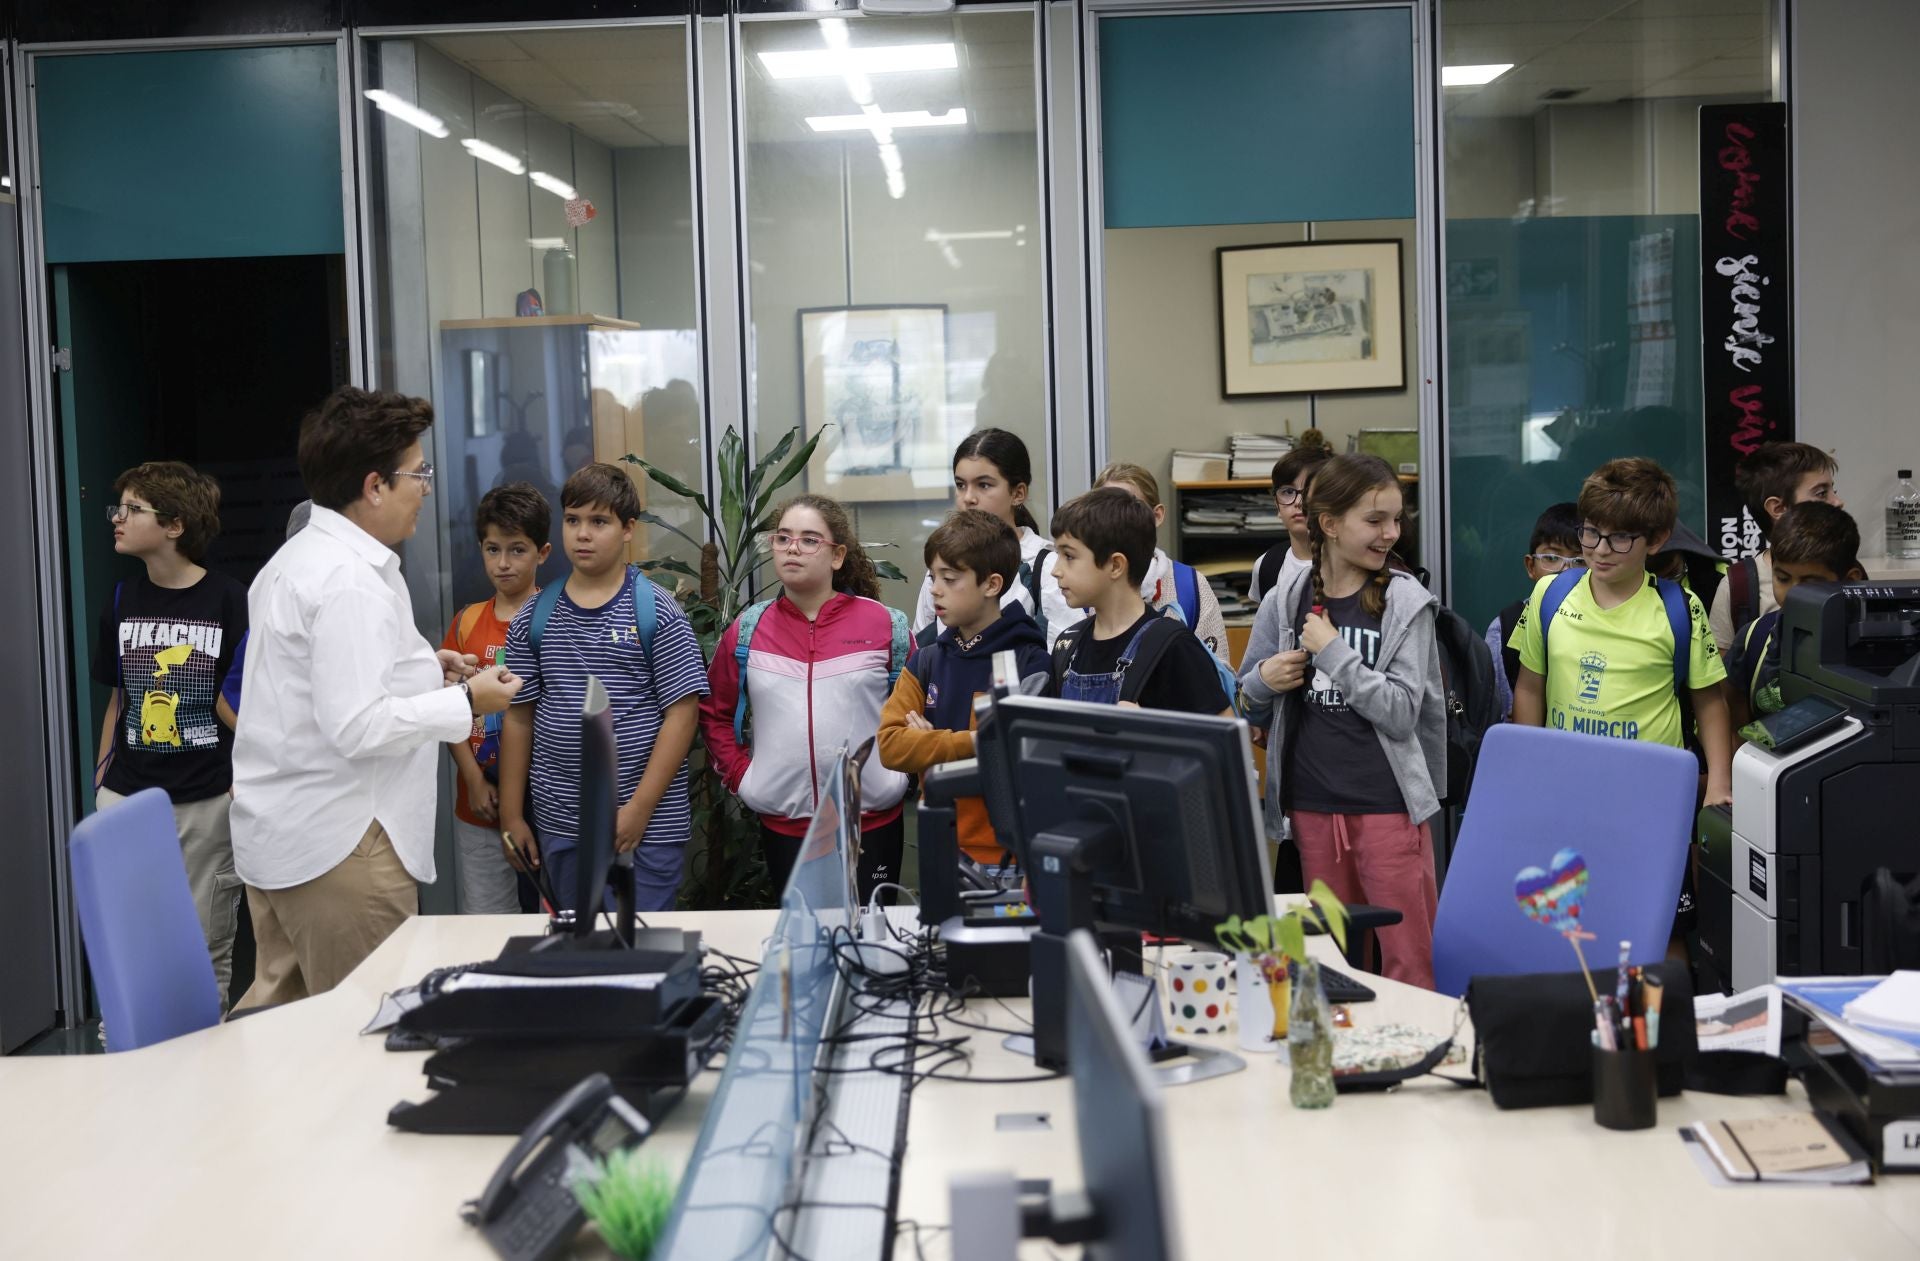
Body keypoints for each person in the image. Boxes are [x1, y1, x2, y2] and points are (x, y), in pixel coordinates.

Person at [231, 388, 522, 1010]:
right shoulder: (347, 583)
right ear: (373, 486)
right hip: (343, 851)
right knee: (362, 1039)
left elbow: (313, 686)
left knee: (283, 1041)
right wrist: (467, 702)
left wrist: (423, 667)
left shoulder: (300, 559)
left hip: (288, 839)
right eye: (418, 473)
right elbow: (356, 726)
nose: (426, 487)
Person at [1239, 454, 1447, 989]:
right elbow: (1247, 700)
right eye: (1375, 520)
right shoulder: (1286, 599)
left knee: (1406, 959)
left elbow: (1402, 713)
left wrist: (1334, 653)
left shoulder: (1406, 602)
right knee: (1331, 962)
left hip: (1388, 809)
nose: (1390, 533)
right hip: (1312, 810)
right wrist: (1266, 678)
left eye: (1397, 520)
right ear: (1329, 524)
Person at [497, 464, 708, 913]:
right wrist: (513, 815)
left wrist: (640, 810)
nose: (583, 534)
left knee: (641, 954)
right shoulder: (534, 617)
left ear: (628, 529)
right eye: (573, 520)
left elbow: (682, 714)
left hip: (646, 825)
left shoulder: (657, 611)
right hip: (561, 821)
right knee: (578, 952)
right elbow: (518, 716)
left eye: (599, 521)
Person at [91, 461, 249, 1007]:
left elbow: (244, 699)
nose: (118, 519)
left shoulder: (229, 599)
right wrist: (102, 782)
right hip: (129, 795)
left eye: (133, 509)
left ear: (175, 525)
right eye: (121, 508)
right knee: (127, 945)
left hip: (207, 798)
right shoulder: (120, 600)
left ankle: (206, 1074)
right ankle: (125, 1063)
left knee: (207, 946)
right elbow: (118, 699)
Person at [701, 494, 910, 902]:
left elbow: (920, 710)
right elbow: (713, 712)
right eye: (783, 538)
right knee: (801, 945)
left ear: (837, 556)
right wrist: (745, 778)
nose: (792, 547)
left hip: (873, 823)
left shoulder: (885, 626)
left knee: (873, 943)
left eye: (809, 539)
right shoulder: (748, 631)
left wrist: (900, 776)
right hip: (786, 827)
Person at [1512, 458, 1733, 806]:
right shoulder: (1549, 594)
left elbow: (1709, 703)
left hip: (1653, 794)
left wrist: (1719, 784)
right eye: (1591, 532)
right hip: (1565, 787)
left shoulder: (1680, 607)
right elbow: (1529, 687)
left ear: (1657, 539)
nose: (1600, 549)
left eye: (1620, 538)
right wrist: (1529, 766)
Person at [877, 510, 1051, 866]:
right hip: (939, 845)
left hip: (1009, 858)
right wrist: (972, 741)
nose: (935, 590)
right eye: (932, 576)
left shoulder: (1031, 664)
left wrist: (929, 745)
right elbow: (891, 747)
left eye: (950, 578)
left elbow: (1011, 756)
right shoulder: (925, 660)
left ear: (991, 585)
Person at [442, 483, 552, 913]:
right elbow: (446, 706)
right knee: (486, 921)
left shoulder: (556, 620)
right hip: (479, 802)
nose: (503, 563)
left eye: (517, 550)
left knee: (548, 920)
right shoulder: (467, 622)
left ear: (542, 553)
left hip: (543, 802)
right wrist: (470, 776)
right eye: (492, 549)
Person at [1045, 487, 1229, 715]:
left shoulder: (1173, 647)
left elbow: (1223, 742)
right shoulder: (1067, 647)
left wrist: (1152, 733)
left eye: (1069, 556)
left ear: (1115, 565)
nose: (1055, 570)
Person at [910, 428, 1070, 644]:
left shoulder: (1047, 567)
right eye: (960, 485)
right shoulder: (942, 562)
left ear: (1018, 493)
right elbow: (922, 646)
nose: (968, 498)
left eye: (983, 485)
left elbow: (1060, 660)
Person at [1728, 501, 1867, 734]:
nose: (1793, 594)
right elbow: (1736, 725)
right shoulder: (1754, 640)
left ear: (1850, 580)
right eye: (1782, 578)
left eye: (1811, 583)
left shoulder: (1875, 647)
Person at [1709, 442, 1844, 655]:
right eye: (1821, 493)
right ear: (1778, 508)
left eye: (1833, 491)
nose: (1837, 502)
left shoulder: (1847, 571)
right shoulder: (1739, 586)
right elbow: (1727, 681)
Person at [1091, 462, 1230, 665]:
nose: (1115, 521)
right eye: (1104, 510)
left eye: (1128, 509)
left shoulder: (1190, 587)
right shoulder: (1085, 587)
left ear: (1156, 516)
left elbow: (1218, 674)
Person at [1485, 502, 1582, 722]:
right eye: (1551, 558)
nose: (1564, 571)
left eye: (1579, 561)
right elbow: (1496, 716)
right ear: (1531, 566)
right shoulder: (1504, 628)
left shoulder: (1607, 623)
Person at [1248, 435, 1335, 605]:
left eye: (1311, 491)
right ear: (1277, 505)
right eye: (1288, 492)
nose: (1299, 502)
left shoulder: (1353, 563)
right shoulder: (1267, 565)